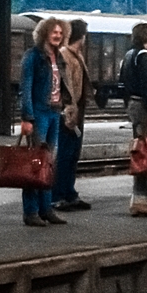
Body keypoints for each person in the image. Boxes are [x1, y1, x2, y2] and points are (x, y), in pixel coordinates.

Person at [18, 16, 69, 227]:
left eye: (60, 32)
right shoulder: (33, 57)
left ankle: (46, 208)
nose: (57, 35)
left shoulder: (59, 58)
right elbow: (26, 88)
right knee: (35, 163)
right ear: (44, 33)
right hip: (38, 114)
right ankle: (31, 211)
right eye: (54, 32)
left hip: (54, 113)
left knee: (49, 163)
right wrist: (27, 117)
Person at [122, 22, 147, 217]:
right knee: (144, 153)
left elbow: (123, 82)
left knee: (139, 151)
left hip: (132, 104)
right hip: (142, 107)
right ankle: (140, 199)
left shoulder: (129, 55)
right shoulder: (144, 56)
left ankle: (139, 198)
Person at [54, 19, 91, 212]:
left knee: (73, 154)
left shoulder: (76, 55)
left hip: (77, 110)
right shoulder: (65, 56)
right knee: (65, 154)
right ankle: (59, 194)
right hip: (67, 112)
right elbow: (63, 85)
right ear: (82, 36)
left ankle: (69, 192)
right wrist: (68, 109)